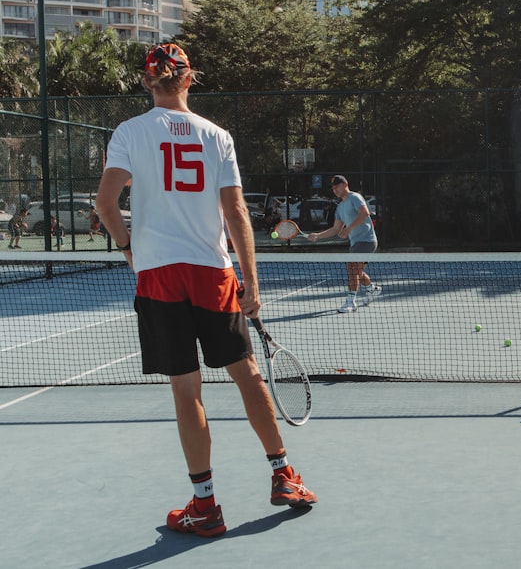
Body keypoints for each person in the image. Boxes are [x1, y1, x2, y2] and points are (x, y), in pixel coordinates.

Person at [95, 43, 317, 538]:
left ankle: (205, 507)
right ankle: (284, 475)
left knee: (186, 389)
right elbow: (237, 213)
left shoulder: (130, 132)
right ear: (189, 78)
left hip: (159, 276)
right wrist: (252, 284)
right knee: (248, 376)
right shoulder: (217, 136)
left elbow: (106, 204)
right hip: (213, 274)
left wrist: (129, 249)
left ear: (148, 81)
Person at [307, 174, 381, 313]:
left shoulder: (355, 197)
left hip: (367, 240)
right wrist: (317, 236)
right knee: (356, 270)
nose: (334, 189)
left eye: (337, 185)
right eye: (332, 187)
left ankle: (351, 301)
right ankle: (372, 289)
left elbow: (365, 213)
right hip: (355, 242)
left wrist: (348, 229)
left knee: (351, 267)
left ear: (345, 184)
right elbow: (336, 229)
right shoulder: (340, 207)